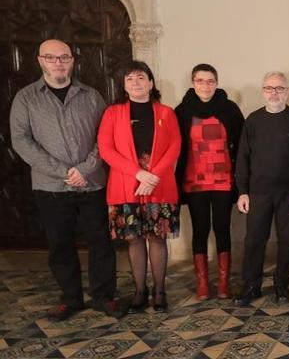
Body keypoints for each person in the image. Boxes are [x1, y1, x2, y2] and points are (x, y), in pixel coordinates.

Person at [10, 39, 126, 321]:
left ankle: (104, 296)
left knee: (101, 242)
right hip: (51, 186)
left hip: (92, 182)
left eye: (64, 57)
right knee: (60, 243)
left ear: (73, 60)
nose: (58, 62)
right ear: (40, 60)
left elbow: (106, 136)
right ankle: (70, 298)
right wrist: (63, 171)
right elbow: (22, 141)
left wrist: (84, 168)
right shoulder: (26, 98)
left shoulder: (91, 95)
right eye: (52, 57)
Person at [98, 61, 181, 313]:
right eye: (130, 78)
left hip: (159, 184)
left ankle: (159, 291)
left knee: (157, 238)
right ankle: (139, 291)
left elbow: (175, 145)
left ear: (151, 83)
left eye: (141, 77)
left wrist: (152, 176)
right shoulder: (112, 113)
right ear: (124, 85)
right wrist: (138, 174)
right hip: (126, 185)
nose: (136, 82)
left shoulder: (166, 112)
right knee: (133, 240)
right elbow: (106, 149)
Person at [233, 71, 289, 306]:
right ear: (263, 91)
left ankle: (281, 285)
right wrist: (242, 191)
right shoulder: (253, 120)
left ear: (287, 92)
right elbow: (242, 158)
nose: (274, 93)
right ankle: (251, 285)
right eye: (269, 88)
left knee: (287, 240)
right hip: (258, 192)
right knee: (254, 240)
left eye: (279, 88)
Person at [175, 63, 244, 300]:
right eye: (200, 81)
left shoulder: (229, 109)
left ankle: (224, 282)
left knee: (223, 228)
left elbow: (243, 144)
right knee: (200, 229)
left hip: (224, 180)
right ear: (193, 83)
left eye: (210, 81)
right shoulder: (182, 111)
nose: (206, 85)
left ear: (217, 82)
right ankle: (203, 283)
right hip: (195, 181)